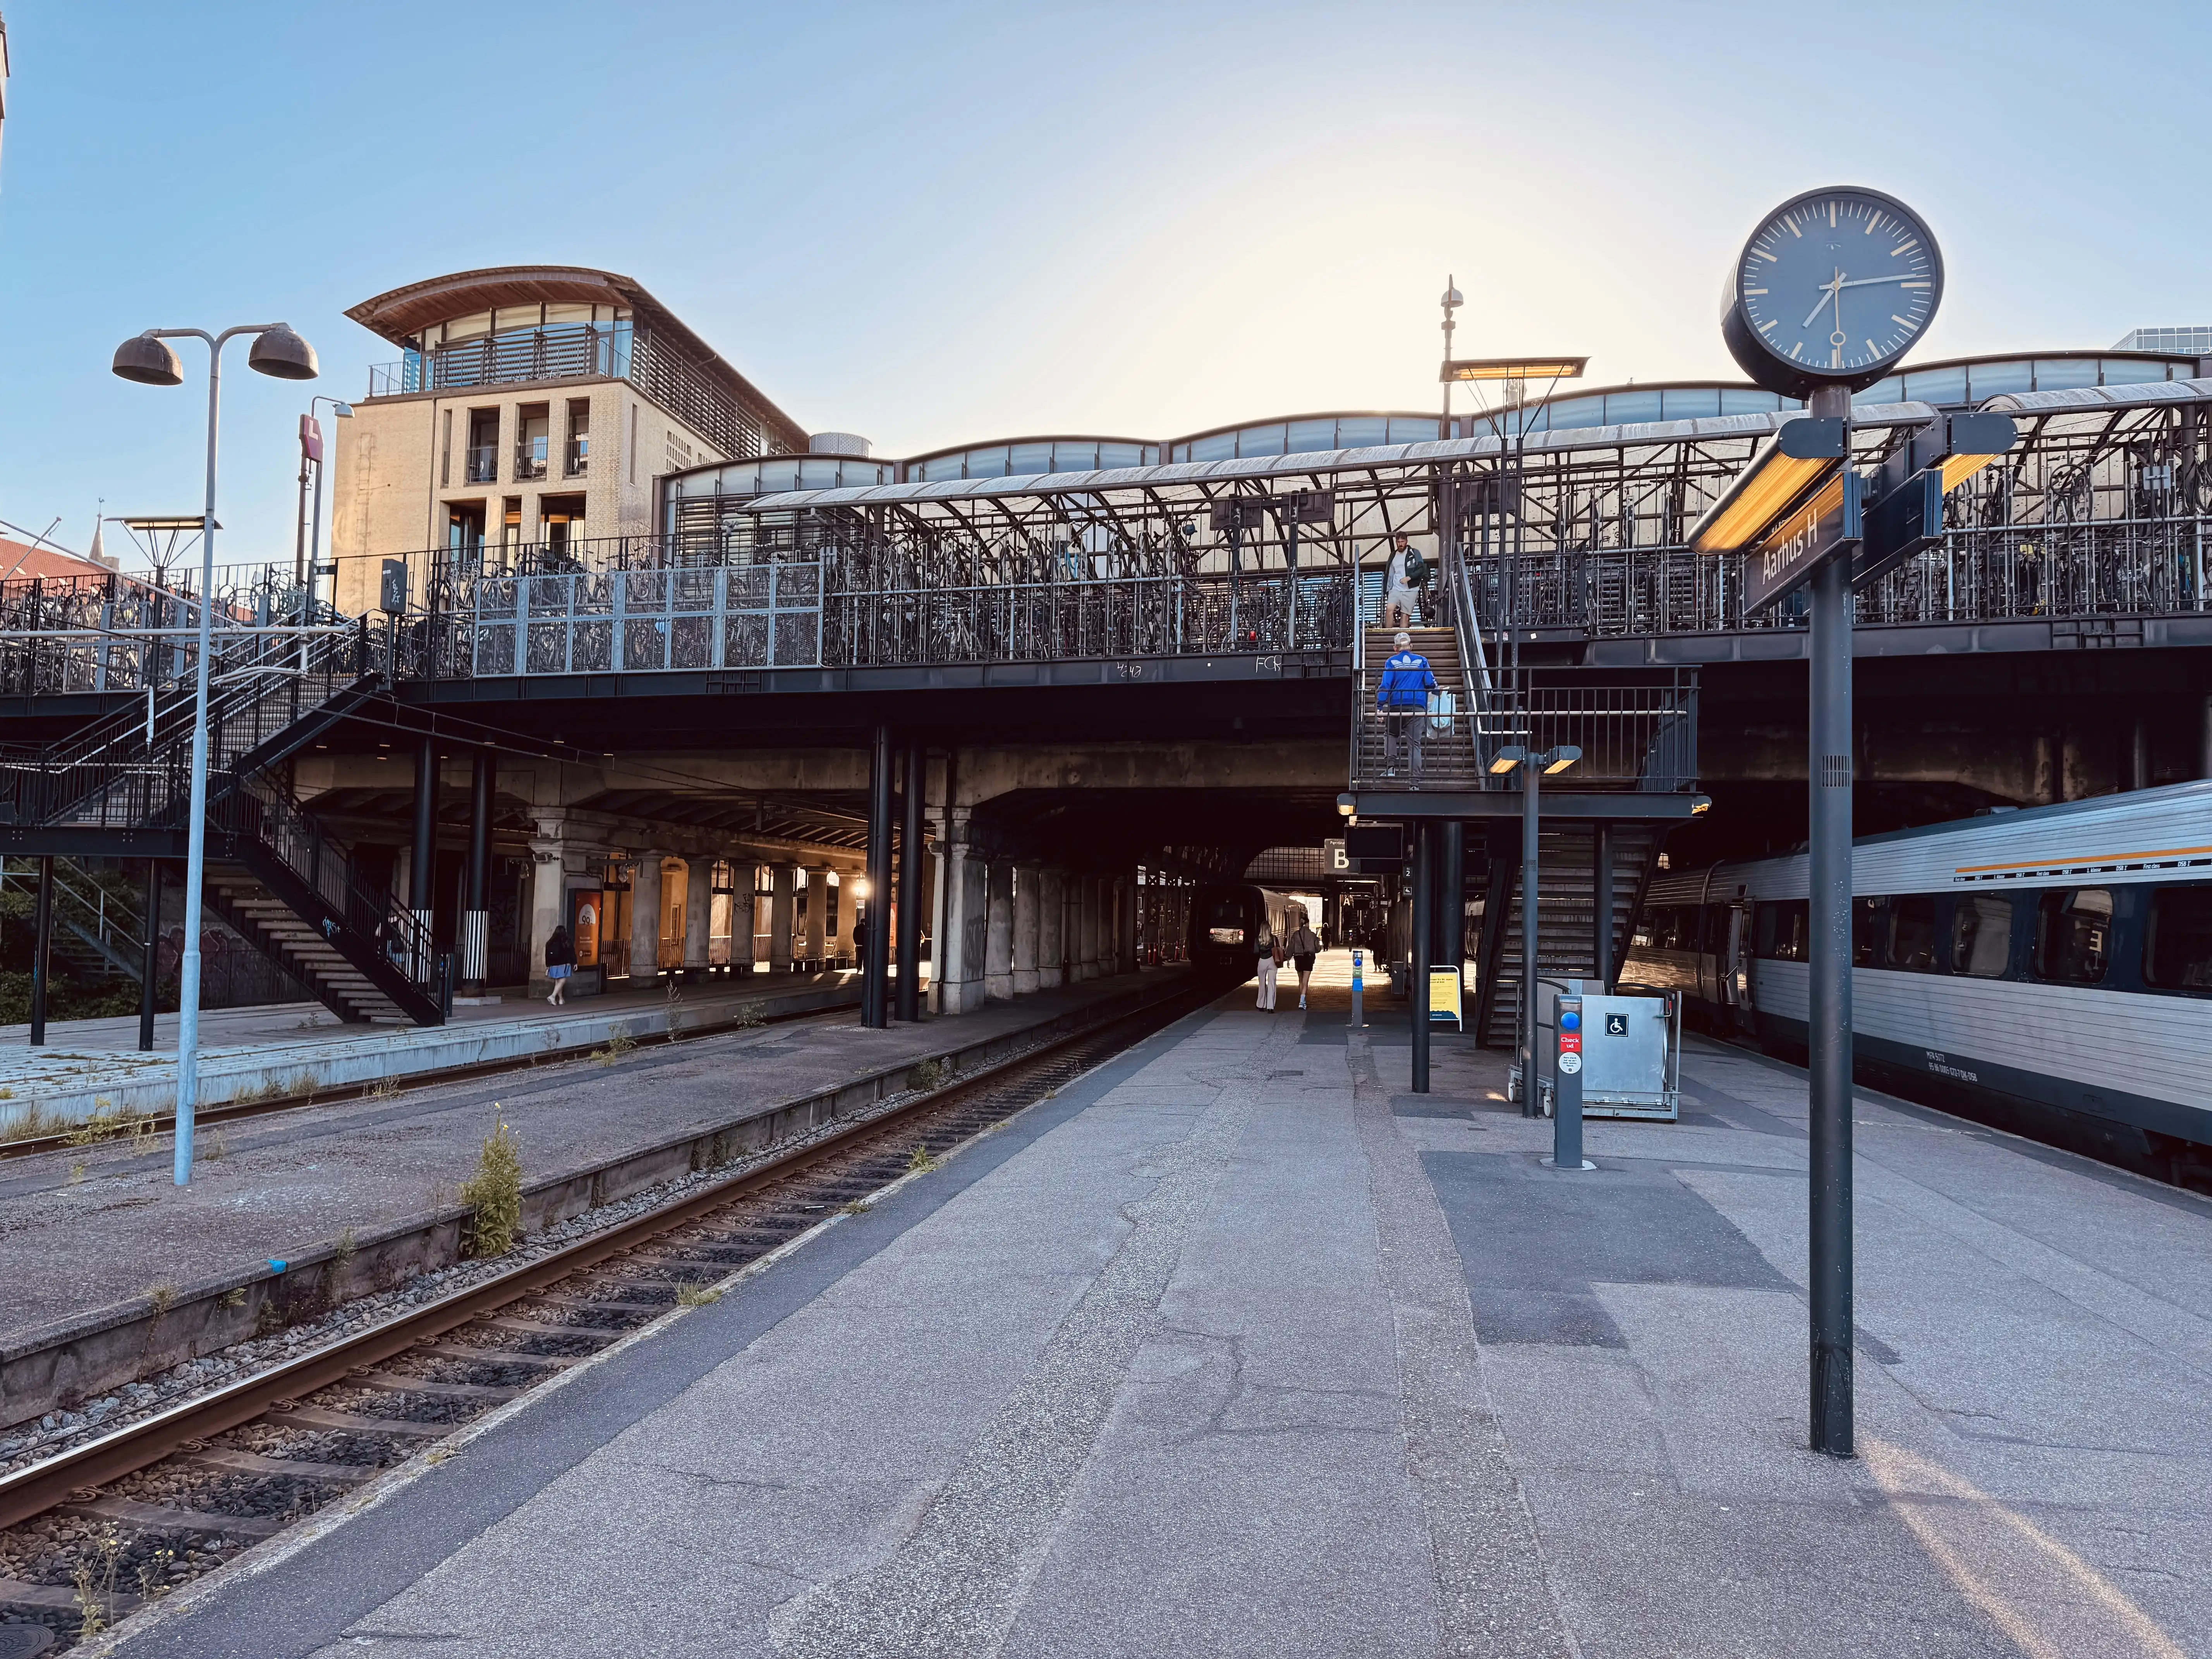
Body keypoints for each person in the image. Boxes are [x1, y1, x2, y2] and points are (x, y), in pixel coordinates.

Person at [1378, 629, 1437, 775]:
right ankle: (1414, 782)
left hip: (1396, 706)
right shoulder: (1422, 661)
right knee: (1415, 745)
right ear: (1411, 646)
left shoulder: (1391, 662)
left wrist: (1380, 706)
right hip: (1417, 707)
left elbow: (1386, 685)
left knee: (1391, 734)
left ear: (1395, 648)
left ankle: (1391, 769)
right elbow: (1431, 684)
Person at [1382, 532, 1427, 627]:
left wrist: (1409, 578)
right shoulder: (1393, 555)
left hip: (1411, 590)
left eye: (1403, 542)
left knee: (1405, 615)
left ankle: (1402, 638)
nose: (1401, 544)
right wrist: (1387, 589)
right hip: (1396, 588)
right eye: (1398, 542)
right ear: (1396, 542)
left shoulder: (1414, 553)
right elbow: (1389, 573)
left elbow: (1422, 569)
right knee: (1389, 609)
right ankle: (1387, 635)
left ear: (1407, 541)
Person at [1287, 913, 1321, 1010]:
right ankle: (1302, 1002)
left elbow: (1291, 947)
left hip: (1298, 958)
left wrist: (1288, 958)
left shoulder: (1296, 935)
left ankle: (1302, 1000)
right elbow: (1318, 949)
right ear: (1307, 924)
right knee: (1306, 981)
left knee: (1301, 980)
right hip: (1309, 958)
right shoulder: (1313, 935)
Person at [1254, 915, 1281, 1011]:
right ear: (1269, 929)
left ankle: (1261, 1005)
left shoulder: (1258, 940)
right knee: (1272, 984)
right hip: (1272, 961)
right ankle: (1270, 1007)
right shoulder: (1274, 939)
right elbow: (1279, 949)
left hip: (1262, 961)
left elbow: (1256, 952)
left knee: (1262, 984)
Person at [545, 924, 575, 1006]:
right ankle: (553, 996)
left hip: (553, 964)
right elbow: (571, 952)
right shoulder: (566, 941)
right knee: (562, 981)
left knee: (558, 981)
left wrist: (548, 965)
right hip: (563, 964)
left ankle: (561, 1000)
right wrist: (574, 962)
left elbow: (547, 955)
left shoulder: (550, 942)